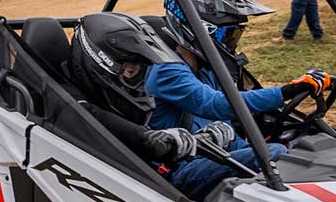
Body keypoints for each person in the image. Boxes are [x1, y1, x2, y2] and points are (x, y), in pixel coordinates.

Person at [149, 0, 335, 198]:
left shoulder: (207, 69)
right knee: (276, 155)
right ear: (197, 31)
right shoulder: (166, 71)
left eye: (236, 35)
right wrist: (287, 91)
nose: (232, 44)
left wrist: (253, 148)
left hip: (217, 154)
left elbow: (230, 127)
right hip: (182, 169)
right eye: (228, 35)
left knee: (302, 148)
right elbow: (216, 104)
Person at [68, 12, 226, 168]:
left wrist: (203, 134)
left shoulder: (114, 97)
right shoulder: (69, 99)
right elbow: (90, 115)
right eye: (131, 72)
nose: (140, 85)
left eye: (141, 72)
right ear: (102, 66)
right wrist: (150, 138)